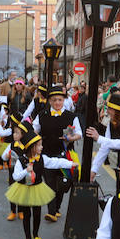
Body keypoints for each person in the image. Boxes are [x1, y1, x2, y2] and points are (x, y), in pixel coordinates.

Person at [6, 130, 77, 239]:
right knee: (27, 214)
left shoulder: (42, 158)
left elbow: (55, 162)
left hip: (37, 189)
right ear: (32, 147)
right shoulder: (21, 160)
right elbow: (15, 176)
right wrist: (26, 171)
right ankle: (28, 238)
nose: (42, 147)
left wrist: (70, 164)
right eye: (39, 145)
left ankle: (36, 235)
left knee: (37, 213)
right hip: (24, 189)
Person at [33, 85, 82, 221]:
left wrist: (71, 138)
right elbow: (34, 130)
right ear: (49, 101)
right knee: (49, 183)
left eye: (60, 100)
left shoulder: (71, 116)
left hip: (64, 154)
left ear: (64, 100)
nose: (57, 103)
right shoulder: (42, 115)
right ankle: (52, 212)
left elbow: (79, 133)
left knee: (62, 184)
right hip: (46, 154)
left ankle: (57, 208)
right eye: (54, 100)